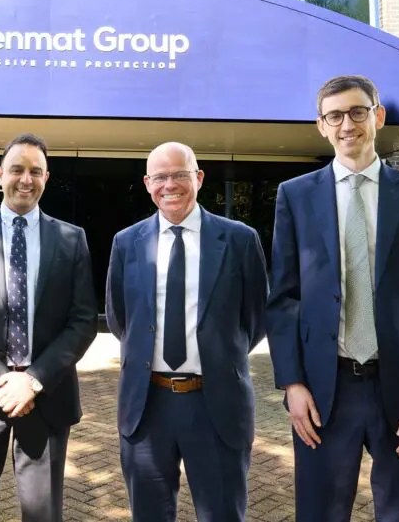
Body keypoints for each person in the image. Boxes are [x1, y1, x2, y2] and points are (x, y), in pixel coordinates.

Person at [266, 75, 399, 522]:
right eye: (334, 116)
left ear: (378, 116)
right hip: (323, 392)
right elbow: (283, 300)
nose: (346, 125)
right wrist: (292, 384)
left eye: (357, 112)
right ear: (321, 125)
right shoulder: (295, 197)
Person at [0, 133, 98, 522]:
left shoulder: (72, 238)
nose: (25, 179)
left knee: (43, 514)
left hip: (47, 395)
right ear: (0, 174)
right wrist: (0, 382)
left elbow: (82, 320)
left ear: (46, 177)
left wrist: (33, 380)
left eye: (35, 171)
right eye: (17, 170)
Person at [105, 142, 269, 522]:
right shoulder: (126, 242)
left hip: (216, 404)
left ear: (199, 177)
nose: (170, 185)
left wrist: (220, 355)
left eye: (180, 174)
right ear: (147, 184)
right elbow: (119, 317)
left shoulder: (240, 239)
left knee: (223, 514)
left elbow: (257, 316)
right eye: (160, 177)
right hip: (147, 405)